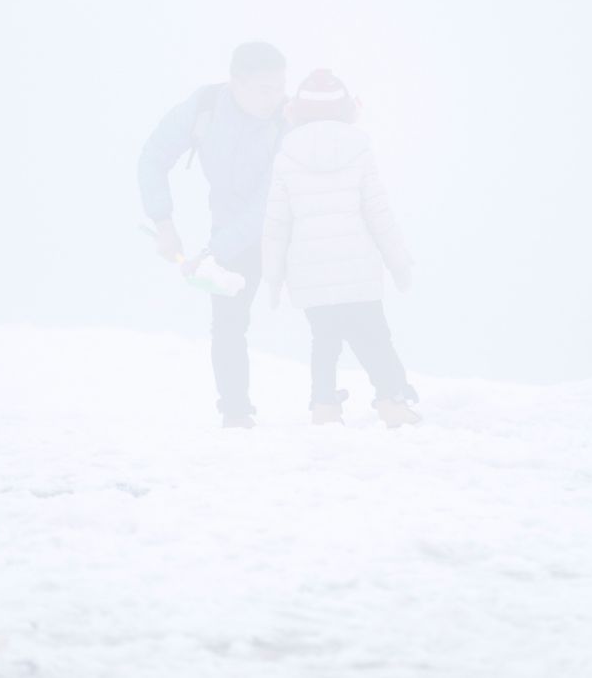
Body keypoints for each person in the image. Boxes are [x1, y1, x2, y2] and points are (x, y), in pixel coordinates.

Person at [139, 42, 289, 428]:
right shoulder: (203, 107)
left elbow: (265, 207)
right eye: (263, 89)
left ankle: (361, 401)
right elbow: (153, 156)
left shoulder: (286, 123)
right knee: (227, 325)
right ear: (235, 84)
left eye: (279, 87)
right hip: (227, 230)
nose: (274, 98)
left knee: (333, 312)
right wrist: (163, 223)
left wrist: (211, 252)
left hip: (285, 231)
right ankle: (236, 415)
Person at [262, 69, 420, 427]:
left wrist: (272, 277)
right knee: (376, 336)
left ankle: (324, 409)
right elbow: (378, 212)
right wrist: (399, 262)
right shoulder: (359, 150)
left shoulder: (286, 157)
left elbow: (276, 224)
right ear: (347, 109)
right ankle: (392, 403)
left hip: (309, 269)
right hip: (357, 266)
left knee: (324, 341)